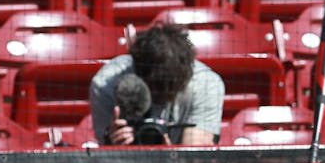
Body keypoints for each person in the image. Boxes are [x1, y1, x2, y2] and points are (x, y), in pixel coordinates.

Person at [89, 24, 224, 146]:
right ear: (138, 73)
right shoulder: (106, 84)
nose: (161, 95)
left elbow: (195, 162)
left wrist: (168, 156)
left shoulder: (206, 84)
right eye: (155, 89)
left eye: (168, 89)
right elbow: (105, 156)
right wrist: (112, 143)